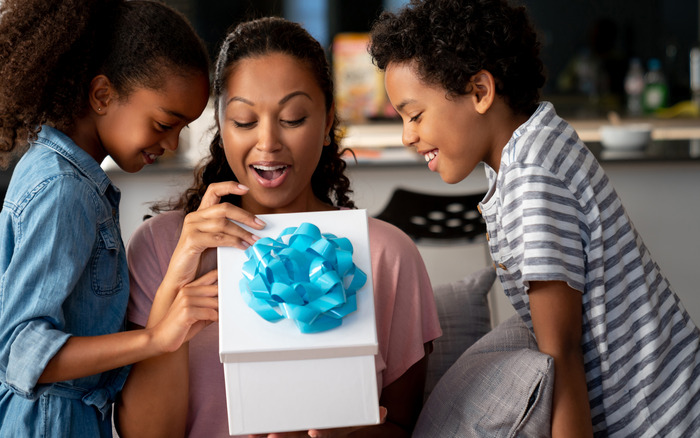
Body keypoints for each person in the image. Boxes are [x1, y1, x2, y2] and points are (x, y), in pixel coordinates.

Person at [368, 0, 700, 437]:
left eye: (415, 115)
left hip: (664, 422)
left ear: (480, 92)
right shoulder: (532, 148)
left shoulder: (532, 177)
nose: (408, 136)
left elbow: (559, 354)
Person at [117, 16, 442, 438]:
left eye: (292, 118)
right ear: (222, 127)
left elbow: (402, 426)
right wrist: (176, 282)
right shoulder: (161, 246)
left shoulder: (387, 255)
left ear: (327, 124)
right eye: (245, 121)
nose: (268, 142)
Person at [0, 0, 212, 436]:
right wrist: (156, 338)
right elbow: (20, 351)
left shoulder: (66, 175)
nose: (171, 144)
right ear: (102, 95)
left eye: (182, 128)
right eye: (163, 123)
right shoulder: (64, 189)